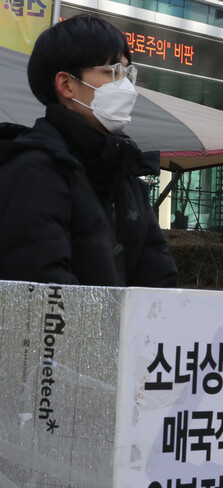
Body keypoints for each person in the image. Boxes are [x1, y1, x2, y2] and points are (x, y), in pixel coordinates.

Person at [0, 15, 176, 287]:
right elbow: (44, 293)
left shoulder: (125, 175)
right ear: (66, 85)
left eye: (127, 73)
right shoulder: (33, 170)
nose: (125, 86)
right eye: (111, 72)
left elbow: (160, 285)